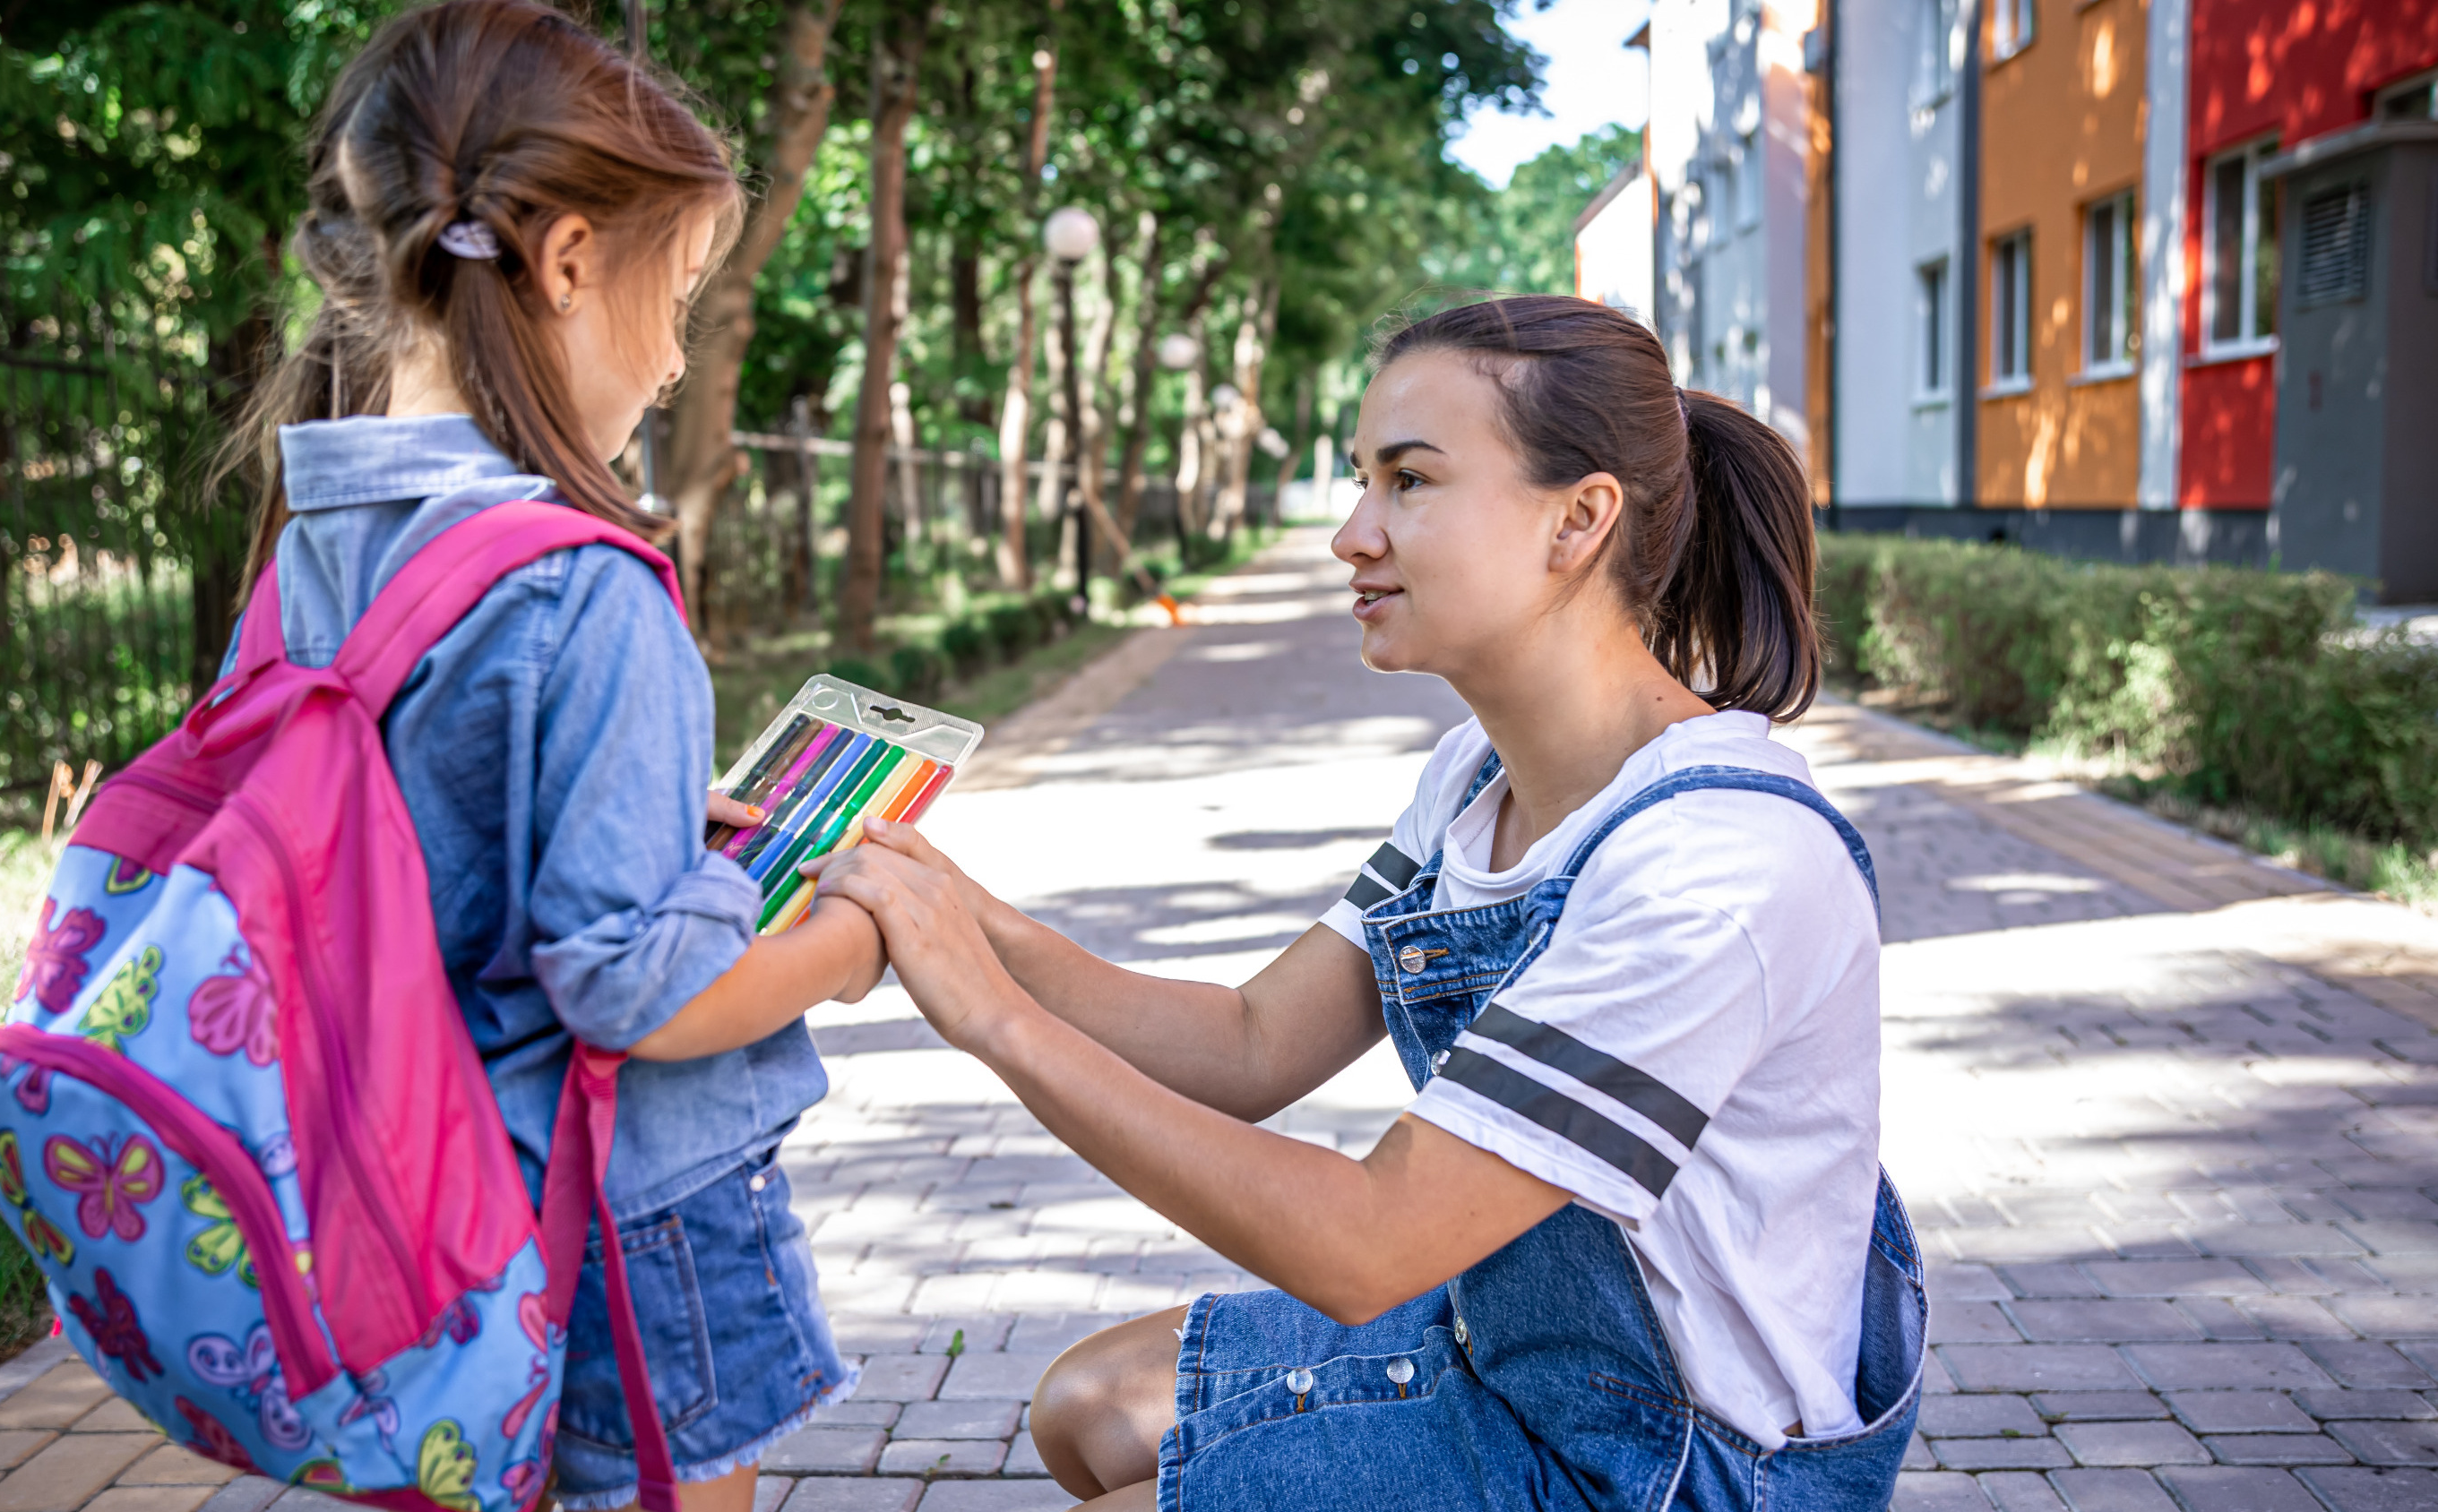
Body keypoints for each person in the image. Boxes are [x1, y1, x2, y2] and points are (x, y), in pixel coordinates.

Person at [814, 296, 1924, 1510]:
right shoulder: (1478, 779)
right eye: (1362, 478)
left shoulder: (1718, 866)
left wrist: (993, 1019)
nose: (1351, 532)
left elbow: (1366, 1246)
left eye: (1407, 481)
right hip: (1509, 1363)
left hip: (1675, 1468)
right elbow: (1250, 1045)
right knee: (1086, 1409)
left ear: (1580, 520)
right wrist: (961, 915)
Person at [216, 5, 881, 1509]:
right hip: (627, 1225)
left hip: (393, 1201)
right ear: (573, 260)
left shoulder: (300, 552)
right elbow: (640, 994)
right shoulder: (584, 585)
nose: (672, 352)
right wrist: (853, 939)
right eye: (681, 290)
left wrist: (654, 825)